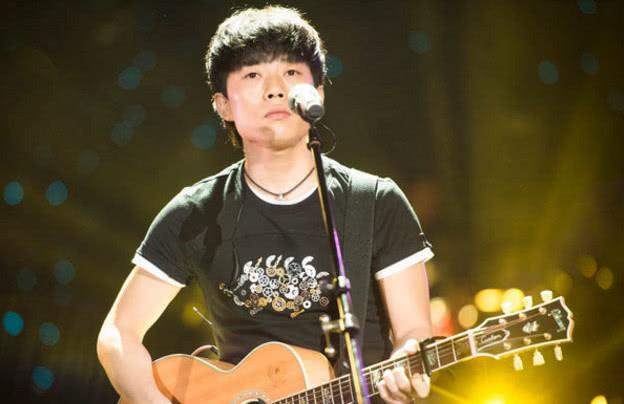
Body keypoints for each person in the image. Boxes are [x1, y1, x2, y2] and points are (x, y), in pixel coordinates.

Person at [97, 6, 434, 404]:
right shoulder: (196, 212)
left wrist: (407, 369)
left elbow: (413, 332)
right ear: (223, 104)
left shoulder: (375, 203)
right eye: (253, 75)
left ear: (318, 94)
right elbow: (118, 333)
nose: (275, 89)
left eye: (291, 72)